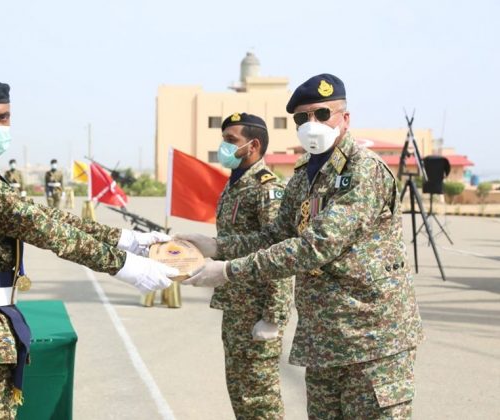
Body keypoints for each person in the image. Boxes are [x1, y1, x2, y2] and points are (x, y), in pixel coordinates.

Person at [179, 74, 424, 419]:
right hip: (324, 341)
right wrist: (216, 246)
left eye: (322, 114)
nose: (312, 124)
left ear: (345, 118)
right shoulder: (304, 175)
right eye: (302, 118)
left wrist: (229, 271)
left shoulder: (363, 172)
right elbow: (276, 235)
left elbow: (315, 246)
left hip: (372, 340)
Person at [0, 78, 176, 419]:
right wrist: (127, 267)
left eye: (4, 117)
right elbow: (49, 232)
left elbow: (47, 216)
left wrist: (126, 239)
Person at [213, 112, 292, 419]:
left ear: (253, 145)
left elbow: (282, 253)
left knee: (260, 400)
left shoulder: (267, 189)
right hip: (235, 306)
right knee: (241, 394)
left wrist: (273, 317)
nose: (224, 147)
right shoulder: (234, 185)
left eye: (231, 141)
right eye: (223, 140)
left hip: (257, 309)